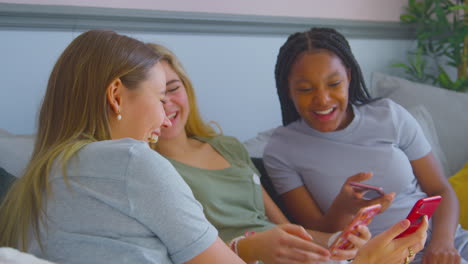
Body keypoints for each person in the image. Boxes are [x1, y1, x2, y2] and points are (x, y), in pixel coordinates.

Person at [149, 42, 428, 264]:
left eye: (173, 88)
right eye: (153, 95)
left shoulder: (228, 147)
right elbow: (184, 249)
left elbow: (284, 227)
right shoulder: (148, 168)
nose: (166, 103)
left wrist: (336, 240)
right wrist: (250, 248)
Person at [0, 30, 246, 264]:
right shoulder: (131, 162)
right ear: (116, 95)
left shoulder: (31, 184)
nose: (165, 119)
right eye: (161, 99)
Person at [263, 27, 468, 264]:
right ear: (288, 90)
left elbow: (441, 190)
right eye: (305, 89)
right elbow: (315, 235)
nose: (322, 99)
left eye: (334, 84)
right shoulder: (281, 149)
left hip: (442, 242)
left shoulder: (389, 115)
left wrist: (443, 244)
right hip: (378, 256)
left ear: (349, 77)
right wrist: (343, 209)